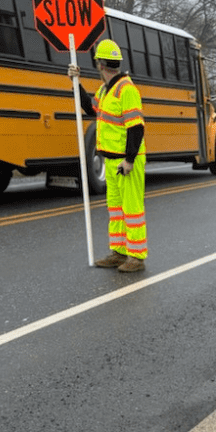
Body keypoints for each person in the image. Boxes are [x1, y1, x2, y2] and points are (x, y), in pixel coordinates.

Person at [68, 39, 147, 272]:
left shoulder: (126, 89)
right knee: (116, 210)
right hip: (111, 160)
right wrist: (76, 82)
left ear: (100, 64)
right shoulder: (105, 90)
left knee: (132, 209)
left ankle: (136, 257)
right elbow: (89, 108)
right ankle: (119, 252)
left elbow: (136, 127)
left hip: (125, 161)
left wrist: (130, 159)